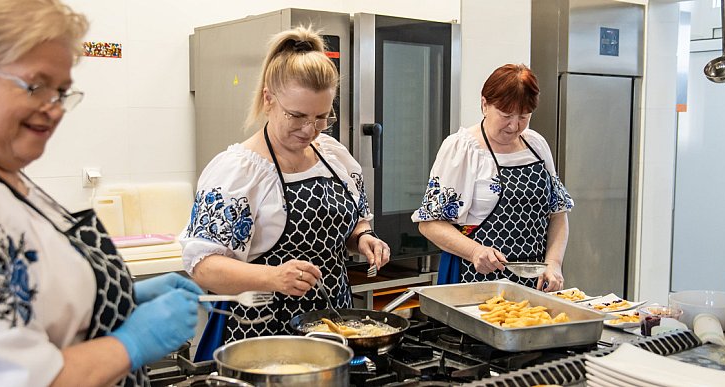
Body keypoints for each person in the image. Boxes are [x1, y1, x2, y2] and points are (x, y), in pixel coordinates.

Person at [0, 1, 205, 385]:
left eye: (62, 92)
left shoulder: (3, 173)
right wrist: (129, 343)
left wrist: (114, 296)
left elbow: (32, 298)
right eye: (35, 87)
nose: (54, 110)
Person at [180, 26, 390, 360]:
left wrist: (363, 237)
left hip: (335, 327)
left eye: (322, 116)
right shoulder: (239, 172)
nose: (310, 129)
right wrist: (274, 276)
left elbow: (352, 224)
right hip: (263, 334)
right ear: (268, 100)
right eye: (298, 116)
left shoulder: (333, 157)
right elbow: (203, 266)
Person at [412, 64, 573, 292]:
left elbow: (557, 215)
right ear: (485, 104)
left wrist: (554, 263)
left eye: (524, 117)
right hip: (477, 282)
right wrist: (476, 251)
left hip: (536, 285)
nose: (514, 126)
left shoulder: (536, 145)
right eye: (506, 115)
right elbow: (430, 224)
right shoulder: (463, 148)